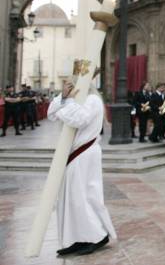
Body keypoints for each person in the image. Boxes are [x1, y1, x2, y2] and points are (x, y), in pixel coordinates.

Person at [47, 80, 116, 256]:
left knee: (82, 196)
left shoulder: (92, 99)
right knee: (72, 197)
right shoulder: (75, 100)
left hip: (85, 152)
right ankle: (79, 237)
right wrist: (63, 97)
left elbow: (79, 119)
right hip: (76, 154)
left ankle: (97, 236)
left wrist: (68, 102)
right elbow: (51, 114)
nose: (72, 88)